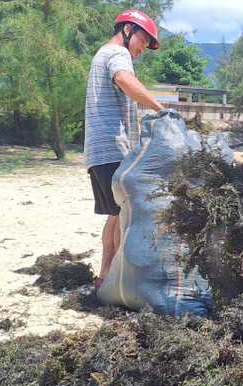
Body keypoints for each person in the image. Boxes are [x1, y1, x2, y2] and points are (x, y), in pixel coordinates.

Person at [84, 9, 164, 291]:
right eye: (142, 40)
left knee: (115, 215)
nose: (142, 48)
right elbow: (124, 79)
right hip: (113, 149)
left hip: (97, 152)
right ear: (127, 29)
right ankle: (118, 279)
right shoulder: (118, 55)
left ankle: (104, 276)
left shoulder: (100, 54)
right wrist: (161, 109)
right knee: (124, 216)